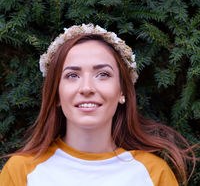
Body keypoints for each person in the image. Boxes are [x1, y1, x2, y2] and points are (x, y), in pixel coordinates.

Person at [0, 24, 196, 186]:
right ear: (56, 94)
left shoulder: (154, 174)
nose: (86, 88)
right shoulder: (20, 172)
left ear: (122, 92)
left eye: (103, 74)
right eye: (72, 75)